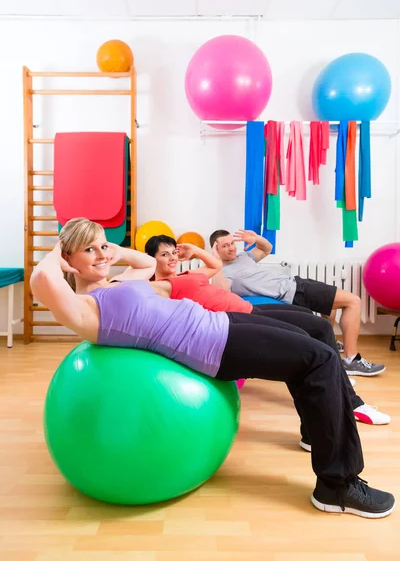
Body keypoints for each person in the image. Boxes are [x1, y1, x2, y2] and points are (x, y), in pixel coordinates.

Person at [30, 218, 395, 518]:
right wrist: (56, 253)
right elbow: (42, 281)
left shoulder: (114, 282)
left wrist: (107, 249)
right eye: (88, 250)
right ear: (68, 257)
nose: (100, 255)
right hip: (211, 346)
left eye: (102, 246)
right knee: (319, 360)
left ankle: (321, 431)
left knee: (316, 344)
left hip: (217, 321)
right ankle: (337, 485)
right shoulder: (83, 309)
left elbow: (144, 262)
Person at [144, 234, 390, 430]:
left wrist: (194, 251)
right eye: (164, 254)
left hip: (250, 309)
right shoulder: (159, 286)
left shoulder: (188, 274)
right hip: (236, 321)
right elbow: (131, 289)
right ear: (151, 259)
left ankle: (338, 390)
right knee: (304, 343)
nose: (173, 258)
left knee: (321, 325)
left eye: (174, 252)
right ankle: (352, 403)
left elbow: (214, 264)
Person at [209, 229, 386, 378]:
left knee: (331, 309)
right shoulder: (224, 273)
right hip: (293, 292)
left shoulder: (243, 257)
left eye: (232, 243)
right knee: (353, 302)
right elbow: (220, 291)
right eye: (225, 246)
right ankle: (351, 360)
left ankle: (329, 344)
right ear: (216, 249)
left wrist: (255, 238)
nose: (231, 248)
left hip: (296, 282)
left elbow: (267, 248)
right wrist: (214, 259)